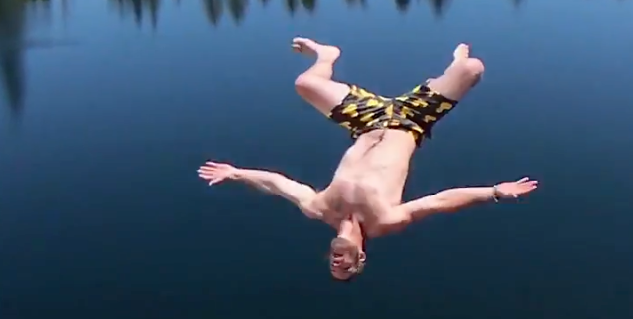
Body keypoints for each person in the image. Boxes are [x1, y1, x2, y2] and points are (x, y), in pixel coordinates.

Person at [198, 38, 538, 281]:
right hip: (411, 121)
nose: (336, 263)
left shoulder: (319, 208)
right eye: (345, 267)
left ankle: (327, 56)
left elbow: (278, 184)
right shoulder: (387, 220)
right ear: (361, 257)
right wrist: (493, 192)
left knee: (304, 83)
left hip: (368, 120)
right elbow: (439, 202)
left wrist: (236, 173)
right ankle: (452, 66)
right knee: (472, 68)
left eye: (332, 266)